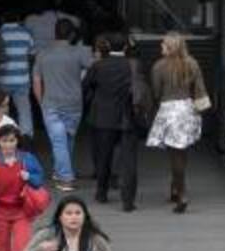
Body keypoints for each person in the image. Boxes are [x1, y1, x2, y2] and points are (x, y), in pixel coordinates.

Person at [146, 33, 208, 213]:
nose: (161, 47)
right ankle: (175, 186)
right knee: (182, 151)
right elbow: (200, 88)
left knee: (174, 154)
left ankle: (181, 193)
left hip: (169, 110)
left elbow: (156, 92)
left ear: (171, 47)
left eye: (163, 45)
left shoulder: (159, 66)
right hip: (188, 109)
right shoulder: (192, 64)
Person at [33, 17, 95, 193]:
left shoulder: (42, 54)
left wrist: (41, 102)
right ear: (72, 34)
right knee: (67, 140)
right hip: (74, 103)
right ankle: (63, 175)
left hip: (51, 103)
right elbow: (95, 68)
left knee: (59, 141)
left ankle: (63, 176)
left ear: (55, 33)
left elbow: (37, 81)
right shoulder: (79, 52)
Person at [82, 33, 140, 212]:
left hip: (102, 117)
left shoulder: (98, 65)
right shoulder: (133, 65)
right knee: (129, 160)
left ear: (107, 45)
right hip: (127, 117)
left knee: (103, 156)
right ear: (125, 47)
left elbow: (85, 87)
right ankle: (128, 200)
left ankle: (102, 191)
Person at [0, 9, 35, 139]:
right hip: (22, 79)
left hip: (3, 80)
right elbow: (31, 55)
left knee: (1, 110)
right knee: (24, 110)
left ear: (3, 19)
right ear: (18, 19)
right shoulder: (26, 33)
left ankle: (2, 136)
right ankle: (26, 136)